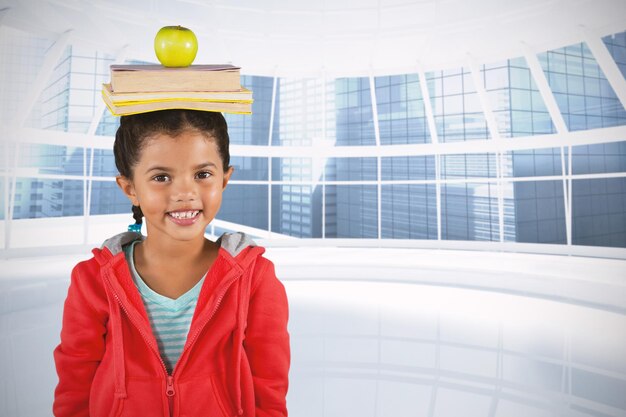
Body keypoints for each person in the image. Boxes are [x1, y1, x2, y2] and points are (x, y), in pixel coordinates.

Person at [53, 109, 290, 417]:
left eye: (202, 175)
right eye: (161, 177)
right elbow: (75, 384)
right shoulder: (93, 279)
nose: (184, 193)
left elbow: (268, 392)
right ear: (130, 189)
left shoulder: (255, 278)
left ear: (225, 179)